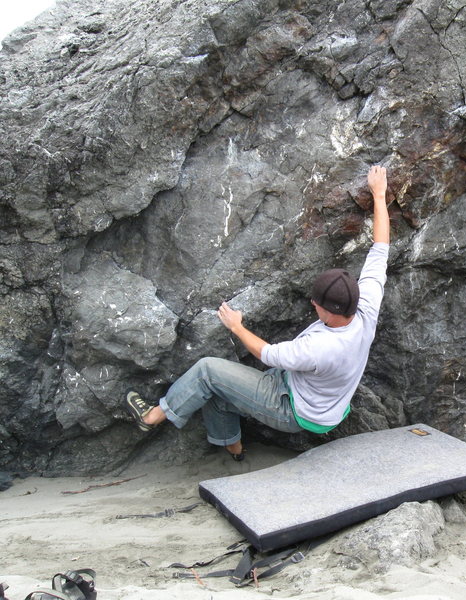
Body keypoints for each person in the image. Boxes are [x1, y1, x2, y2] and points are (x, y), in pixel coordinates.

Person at [125, 165, 390, 460]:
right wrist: (378, 195)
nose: (311, 304)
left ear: (329, 310)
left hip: (293, 409)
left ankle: (151, 417)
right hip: (324, 402)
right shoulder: (365, 307)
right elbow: (380, 249)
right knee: (216, 392)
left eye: (315, 303)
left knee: (207, 370)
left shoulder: (320, 347)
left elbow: (268, 355)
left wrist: (236, 326)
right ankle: (235, 452)